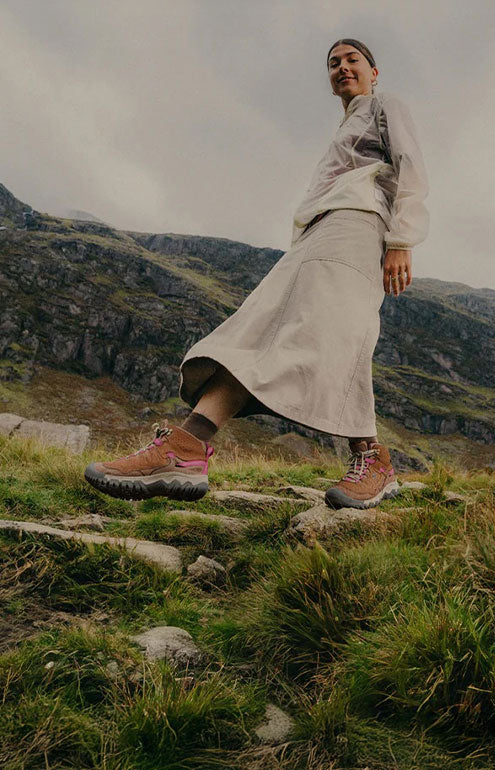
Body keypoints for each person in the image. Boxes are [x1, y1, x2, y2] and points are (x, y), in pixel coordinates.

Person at [85, 38, 428, 508]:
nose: (342, 67)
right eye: (333, 63)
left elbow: (411, 166)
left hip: (357, 226)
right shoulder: (345, 126)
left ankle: (370, 460)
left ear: (374, 71)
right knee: (266, 332)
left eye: (353, 60)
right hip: (318, 234)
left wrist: (402, 239)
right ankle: (187, 449)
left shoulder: (385, 105)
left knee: (332, 335)